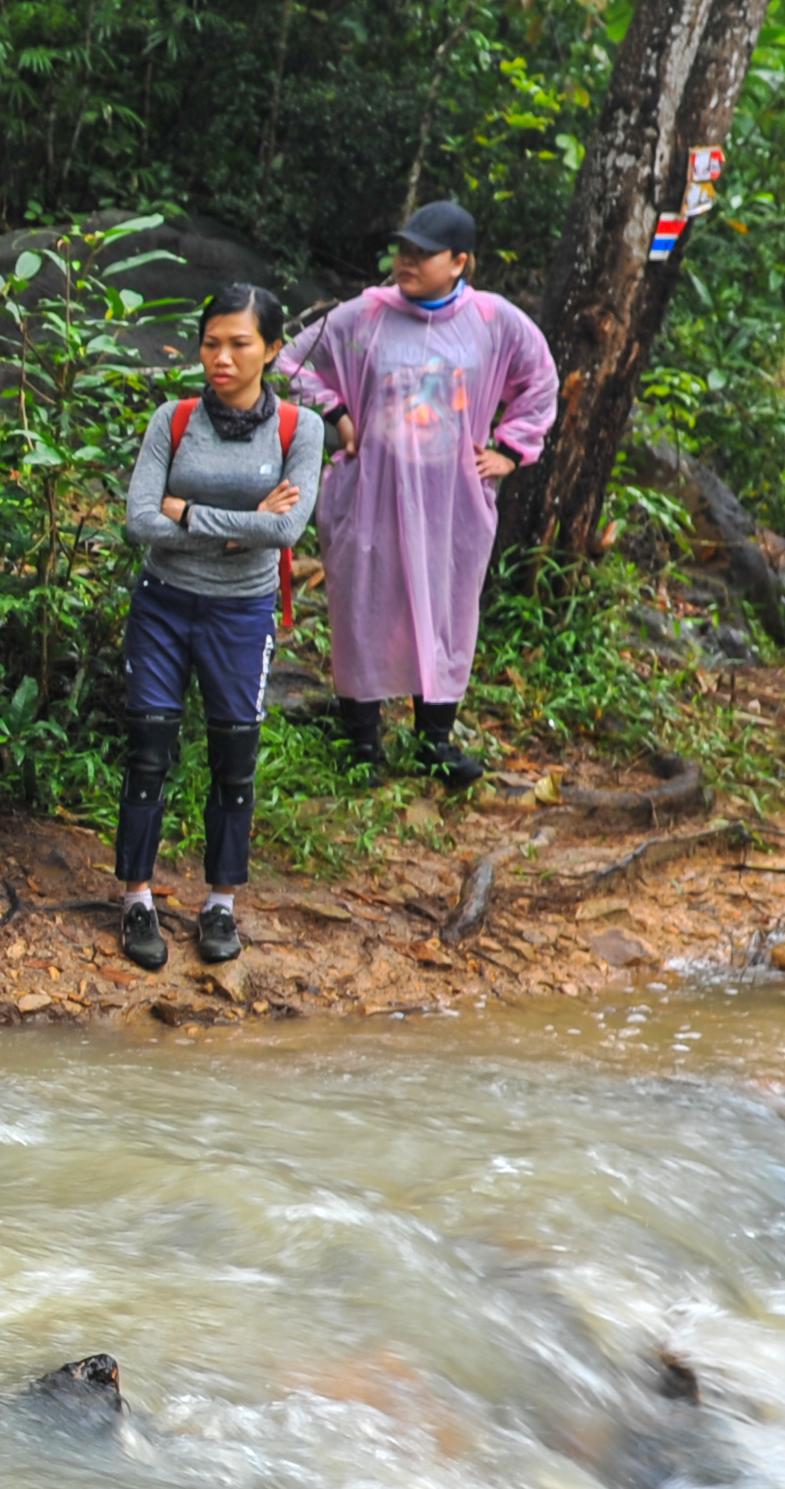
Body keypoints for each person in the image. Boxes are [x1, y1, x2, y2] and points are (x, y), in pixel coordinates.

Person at [278, 200, 558, 788]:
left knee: (450, 610)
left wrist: (509, 448)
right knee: (363, 607)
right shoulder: (366, 316)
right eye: (402, 249)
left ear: (460, 261)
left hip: (452, 499)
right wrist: (337, 414)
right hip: (370, 491)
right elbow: (293, 361)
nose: (405, 261)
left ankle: (433, 741)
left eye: (421, 253)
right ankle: (361, 742)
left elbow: (540, 380)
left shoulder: (493, 321)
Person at [113, 284, 323, 971]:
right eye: (211, 343)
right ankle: (136, 897)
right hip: (164, 604)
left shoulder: (298, 430)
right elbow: (140, 520)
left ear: (271, 349)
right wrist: (242, 527)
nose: (222, 358)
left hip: (242, 613)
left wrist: (192, 514)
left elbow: (287, 529)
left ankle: (220, 903)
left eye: (240, 343)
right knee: (148, 749)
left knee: (235, 756)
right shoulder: (172, 420)